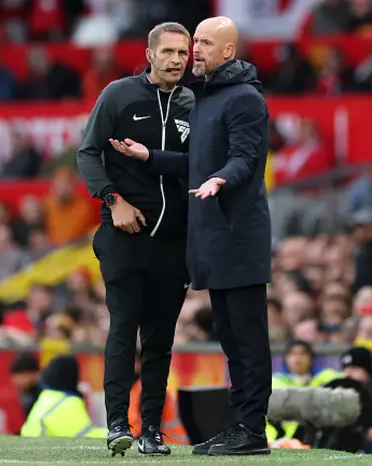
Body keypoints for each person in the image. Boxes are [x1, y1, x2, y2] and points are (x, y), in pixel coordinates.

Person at [110, 16, 272, 456]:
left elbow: (243, 158)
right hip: (214, 240)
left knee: (247, 338)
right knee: (231, 341)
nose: (194, 50)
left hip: (238, 237)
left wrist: (220, 179)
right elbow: (193, 164)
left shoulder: (244, 100)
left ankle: (252, 429)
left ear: (227, 52)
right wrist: (151, 156)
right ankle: (241, 424)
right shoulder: (208, 98)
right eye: (193, 41)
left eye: (203, 42)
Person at [77, 22, 194, 456]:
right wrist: (113, 200)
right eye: (168, 52)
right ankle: (115, 425)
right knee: (124, 327)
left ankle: (151, 430)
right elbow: (88, 152)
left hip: (173, 240)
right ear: (149, 54)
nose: (176, 60)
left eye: (183, 52)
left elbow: (198, 163)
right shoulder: (119, 94)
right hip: (125, 235)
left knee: (161, 338)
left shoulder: (192, 102)